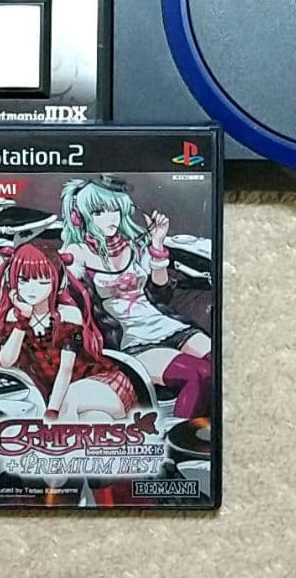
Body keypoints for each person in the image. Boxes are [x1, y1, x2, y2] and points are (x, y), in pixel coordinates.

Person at [60, 176, 212, 419]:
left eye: (114, 210)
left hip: (169, 326)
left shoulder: (134, 246)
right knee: (198, 374)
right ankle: (178, 439)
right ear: (80, 216)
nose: (110, 218)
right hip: (133, 342)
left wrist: (157, 244)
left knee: (220, 365)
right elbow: (71, 304)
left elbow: (161, 293)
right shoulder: (77, 253)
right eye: (99, 212)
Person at [0, 241, 137, 421]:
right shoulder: (14, 316)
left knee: (70, 401)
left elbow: (66, 369)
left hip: (104, 386)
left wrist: (52, 411)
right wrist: (23, 320)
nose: (32, 289)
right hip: (68, 399)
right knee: (95, 420)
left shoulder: (68, 315)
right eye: (24, 280)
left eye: (42, 281)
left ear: (58, 283)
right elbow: (6, 361)